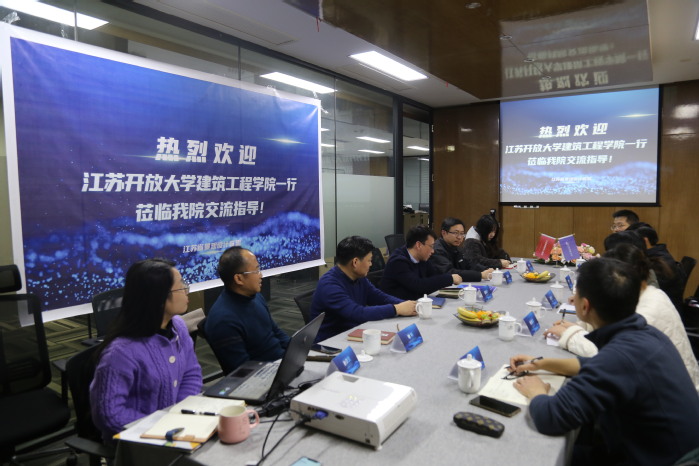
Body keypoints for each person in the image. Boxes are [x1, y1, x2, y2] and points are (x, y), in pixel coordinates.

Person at [511, 258, 699, 466]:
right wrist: (543, 363)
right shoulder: (647, 333)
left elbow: (551, 417)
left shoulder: (620, 357)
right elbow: (595, 365)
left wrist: (536, 392)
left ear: (585, 306)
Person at [544, 244, 699, 391]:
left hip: (668, 394)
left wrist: (569, 335)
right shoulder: (647, 294)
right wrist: (579, 327)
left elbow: (607, 357)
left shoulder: (646, 312)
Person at [90, 259, 202, 442]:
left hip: (174, 430)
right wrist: (162, 426)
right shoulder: (121, 353)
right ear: (159, 297)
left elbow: (191, 373)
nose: (186, 290)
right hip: (136, 441)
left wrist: (180, 414)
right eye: (180, 286)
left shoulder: (178, 327)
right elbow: (109, 414)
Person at [310, 236, 416, 342]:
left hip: (353, 332)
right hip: (330, 342)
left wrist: (409, 306)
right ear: (355, 262)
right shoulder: (329, 285)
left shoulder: (358, 277)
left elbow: (378, 297)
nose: (371, 264)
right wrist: (396, 309)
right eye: (369, 260)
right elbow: (357, 313)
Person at [205, 246, 290, 375]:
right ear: (239, 279)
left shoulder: (255, 297)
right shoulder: (223, 320)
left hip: (283, 364)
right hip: (264, 377)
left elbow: (276, 332)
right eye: (256, 271)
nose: (261, 275)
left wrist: (297, 350)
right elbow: (242, 371)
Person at [379, 225, 462, 300]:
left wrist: (448, 278)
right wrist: (450, 279)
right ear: (418, 245)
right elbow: (419, 285)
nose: (433, 251)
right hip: (395, 307)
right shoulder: (398, 261)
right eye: (431, 246)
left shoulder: (422, 258)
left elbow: (435, 276)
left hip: (415, 303)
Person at [628, 222, 686, 312]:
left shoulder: (658, 261)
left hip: (663, 311)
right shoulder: (657, 254)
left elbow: (644, 290)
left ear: (644, 240)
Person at [430, 217, 493, 282]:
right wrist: (480, 275)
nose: (459, 237)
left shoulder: (456, 248)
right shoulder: (437, 250)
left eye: (462, 233)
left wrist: (486, 270)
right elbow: (450, 272)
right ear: (444, 233)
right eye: (455, 233)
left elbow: (468, 264)